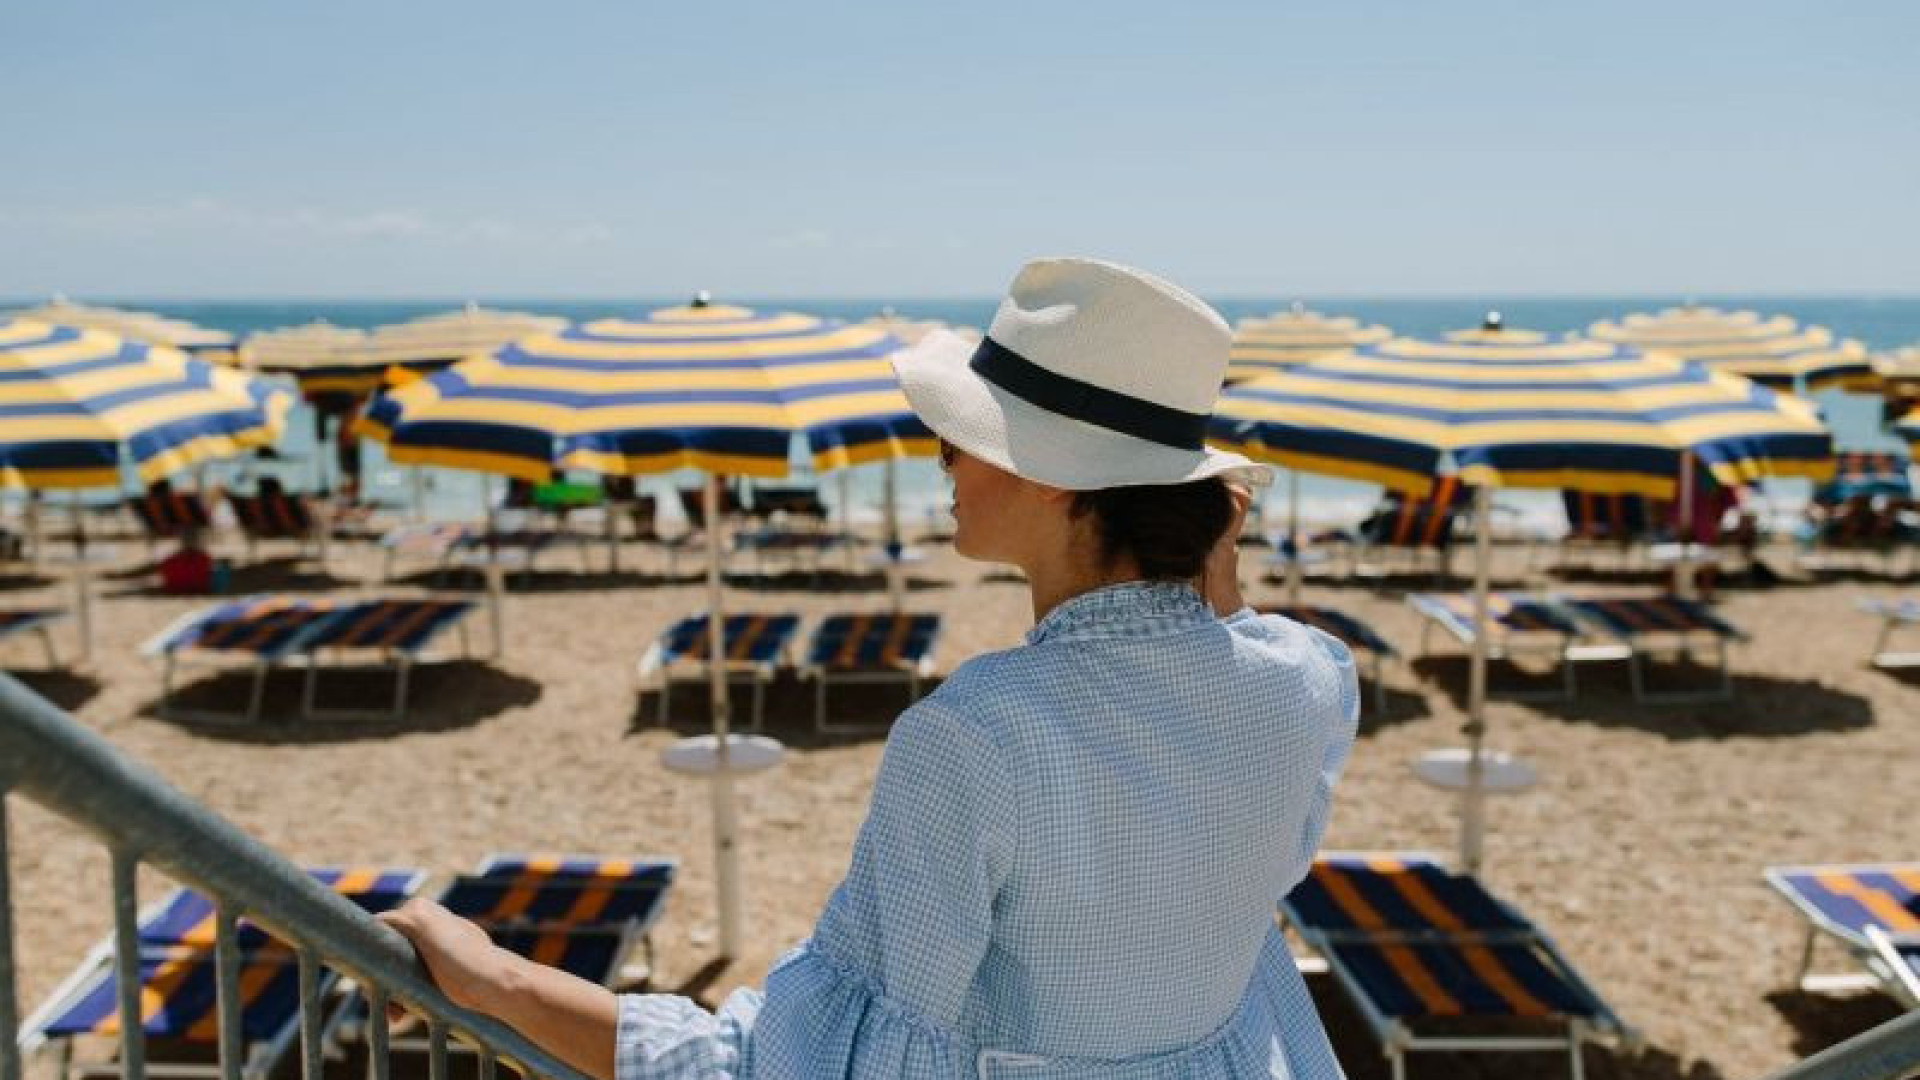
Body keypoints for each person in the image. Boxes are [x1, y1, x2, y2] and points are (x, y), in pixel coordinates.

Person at [383, 258, 1361, 1079]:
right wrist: (1216, 589)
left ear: (1057, 479)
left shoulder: (980, 735)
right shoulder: (1308, 683)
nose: (942, 462)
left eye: (963, 440)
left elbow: (798, 1061)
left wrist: (496, 983)